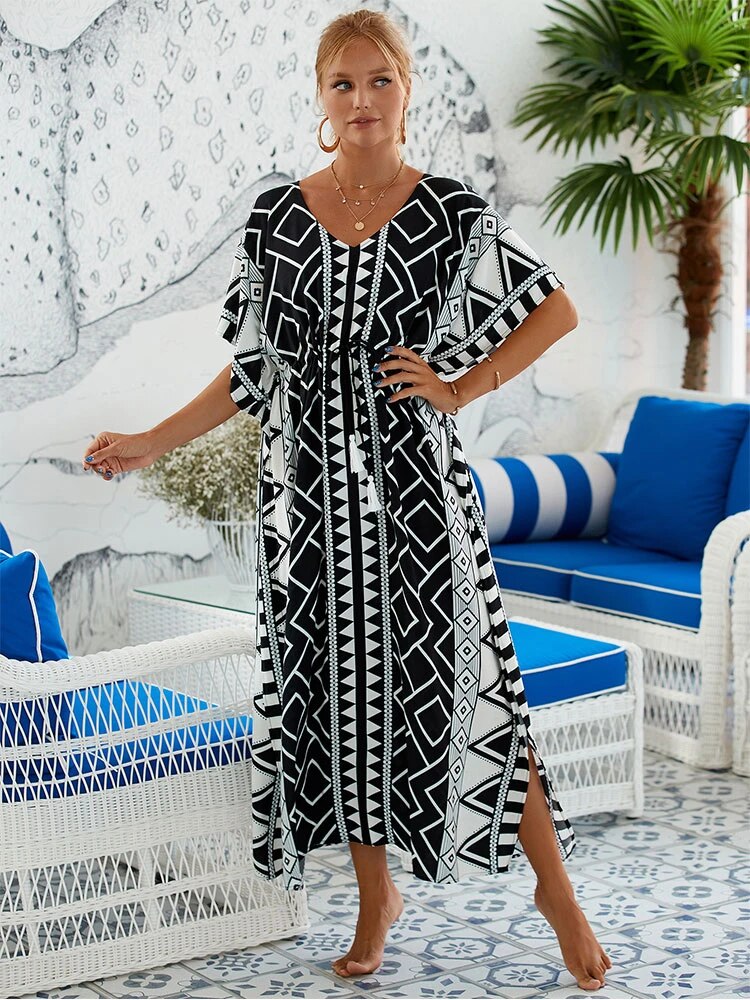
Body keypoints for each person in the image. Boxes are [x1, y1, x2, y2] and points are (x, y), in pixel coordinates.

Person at [82, 8, 613, 991]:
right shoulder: (276, 219)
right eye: (343, 83)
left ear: (406, 91)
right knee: (337, 699)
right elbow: (253, 373)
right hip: (309, 501)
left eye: (379, 81)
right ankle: (377, 899)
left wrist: (461, 388)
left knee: (475, 684)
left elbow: (555, 311)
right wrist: (151, 439)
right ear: (321, 98)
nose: (361, 100)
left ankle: (558, 894)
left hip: (420, 495)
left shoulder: (449, 211)